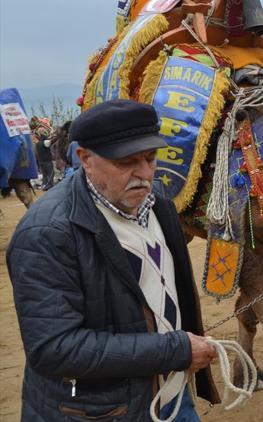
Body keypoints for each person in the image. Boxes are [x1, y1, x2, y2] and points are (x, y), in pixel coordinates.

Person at [6, 99, 220, 420]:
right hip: (98, 410)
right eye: (126, 162)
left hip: (171, 394)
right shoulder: (46, 232)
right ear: (85, 159)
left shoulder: (158, 206)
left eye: (150, 158)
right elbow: (54, 348)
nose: (144, 174)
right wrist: (174, 351)